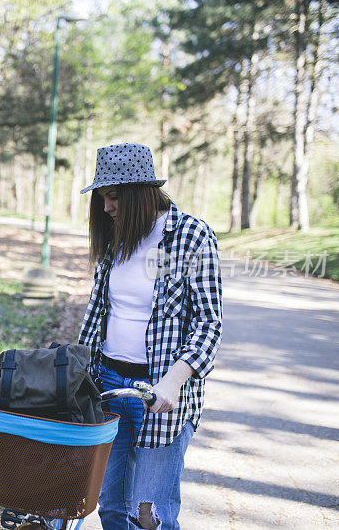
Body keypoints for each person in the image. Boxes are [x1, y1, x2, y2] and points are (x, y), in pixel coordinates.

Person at [76, 143, 222, 530]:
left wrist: (173, 383)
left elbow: (209, 324)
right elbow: (98, 314)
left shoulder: (189, 237)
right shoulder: (116, 237)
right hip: (108, 385)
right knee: (110, 508)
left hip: (160, 395)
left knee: (150, 516)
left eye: (113, 197)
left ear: (139, 193)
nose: (106, 207)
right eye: (102, 198)